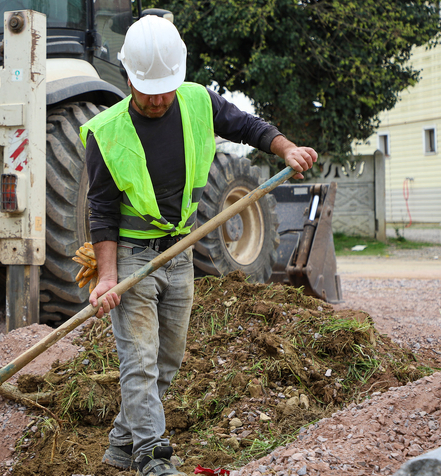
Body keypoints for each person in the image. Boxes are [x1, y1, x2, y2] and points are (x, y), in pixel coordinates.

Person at [78, 14, 316, 476]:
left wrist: (284, 147)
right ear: (128, 78)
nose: (158, 98)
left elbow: (246, 126)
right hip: (131, 257)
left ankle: (121, 443)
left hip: (179, 252)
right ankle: (151, 455)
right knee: (140, 360)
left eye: (166, 87)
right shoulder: (106, 134)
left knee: (168, 357)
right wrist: (108, 276)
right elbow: (101, 211)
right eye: (148, 90)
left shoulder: (197, 102)